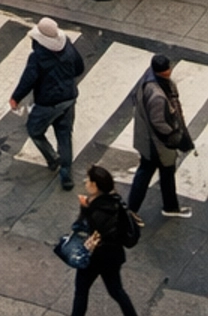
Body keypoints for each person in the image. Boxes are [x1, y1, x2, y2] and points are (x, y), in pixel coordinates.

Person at [10, 16, 85, 189]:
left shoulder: (37, 57)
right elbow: (79, 67)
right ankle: (66, 177)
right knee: (64, 136)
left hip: (47, 103)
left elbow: (27, 80)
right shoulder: (67, 45)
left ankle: (52, 158)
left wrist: (16, 98)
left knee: (34, 130)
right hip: (68, 98)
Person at [127, 52, 193, 218]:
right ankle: (132, 210)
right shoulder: (157, 96)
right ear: (165, 71)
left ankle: (170, 206)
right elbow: (159, 123)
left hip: (148, 138)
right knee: (149, 171)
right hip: (156, 144)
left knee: (165, 170)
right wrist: (176, 136)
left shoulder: (149, 79)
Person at [70, 164, 140, 316]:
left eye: (88, 181)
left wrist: (84, 209)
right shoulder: (115, 201)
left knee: (81, 291)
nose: (86, 183)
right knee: (116, 290)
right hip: (112, 256)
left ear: (95, 185)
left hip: (94, 256)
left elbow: (83, 228)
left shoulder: (96, 208)